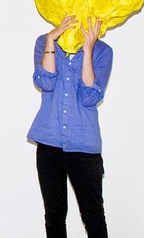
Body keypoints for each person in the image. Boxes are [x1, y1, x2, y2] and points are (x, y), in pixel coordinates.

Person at [28, 15, 112, 238]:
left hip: (84, 146)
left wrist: (88, 50)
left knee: (92, 214)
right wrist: (50, 40)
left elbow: (89, 97)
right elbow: (44, 82)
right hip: (49, 143)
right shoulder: (45, 42)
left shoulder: (103, 51)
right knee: (54, 213)